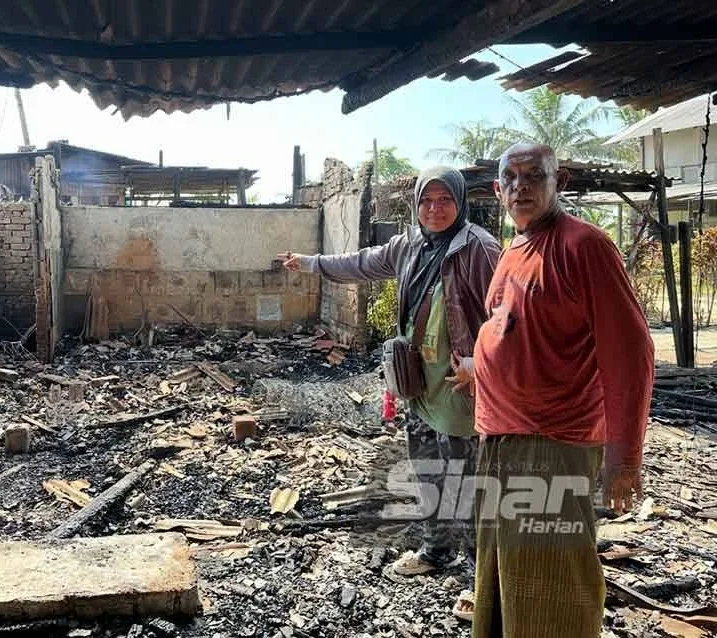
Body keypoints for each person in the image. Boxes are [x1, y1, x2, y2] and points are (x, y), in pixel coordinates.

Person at [279, 165, 501, 619]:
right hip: (418, 381)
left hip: (460, 383)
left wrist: (482, 365)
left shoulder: (479, 248)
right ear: (416, 205)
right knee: (427, 470)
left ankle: (484, 578)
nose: (434, 209)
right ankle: (437, 551)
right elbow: (359, 262)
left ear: (460, 202)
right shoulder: (408, 246)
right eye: (426, 201)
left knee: (468, 482)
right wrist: (311, 263)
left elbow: (506, 314)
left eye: (444, 200)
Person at [459, 143, 654, 638]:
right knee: (503, 571)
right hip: (500, 436)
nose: (520, 186)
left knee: (553, 581)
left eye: (534, 175)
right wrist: (477, 366)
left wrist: (624, 457)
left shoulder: (583, 245)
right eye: (511, 177)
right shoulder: (513, 250)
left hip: (554, 440)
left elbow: (629, 353)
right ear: (498, 188)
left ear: (559, 181)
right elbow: (508, 328)